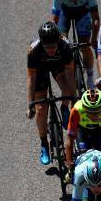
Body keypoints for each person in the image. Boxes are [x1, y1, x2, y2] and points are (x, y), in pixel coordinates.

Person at [27, 21, 76, 165]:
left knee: (67, 90)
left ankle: (64, 107)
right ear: (42, 43)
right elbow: (31, 78)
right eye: (47, 46)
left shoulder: (65, 47)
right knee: (41, 109)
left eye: (53, 46)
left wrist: (73, 100)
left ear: (58, 41)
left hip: (58, 65)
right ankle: (44, 144)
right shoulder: (34, 51)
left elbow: (70, 75)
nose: (50, 49)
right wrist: (30, 104)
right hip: (39, 70)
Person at [51, 0, 100, 89]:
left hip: (83, 13)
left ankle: (89, 76)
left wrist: (94, 38)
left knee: (85, 45)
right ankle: (68, 71)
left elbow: (96, 18)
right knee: (62, 44)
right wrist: (57, 40)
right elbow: (55, 20)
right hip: (65, 13)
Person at [65, 89, 101, 174]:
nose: (93, 115)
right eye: (89, 111)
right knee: (84, 158)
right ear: (84, 107)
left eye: (97, 111)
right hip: (83, 131)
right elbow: (70, 138)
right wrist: (70, 165)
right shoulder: (76, 110)